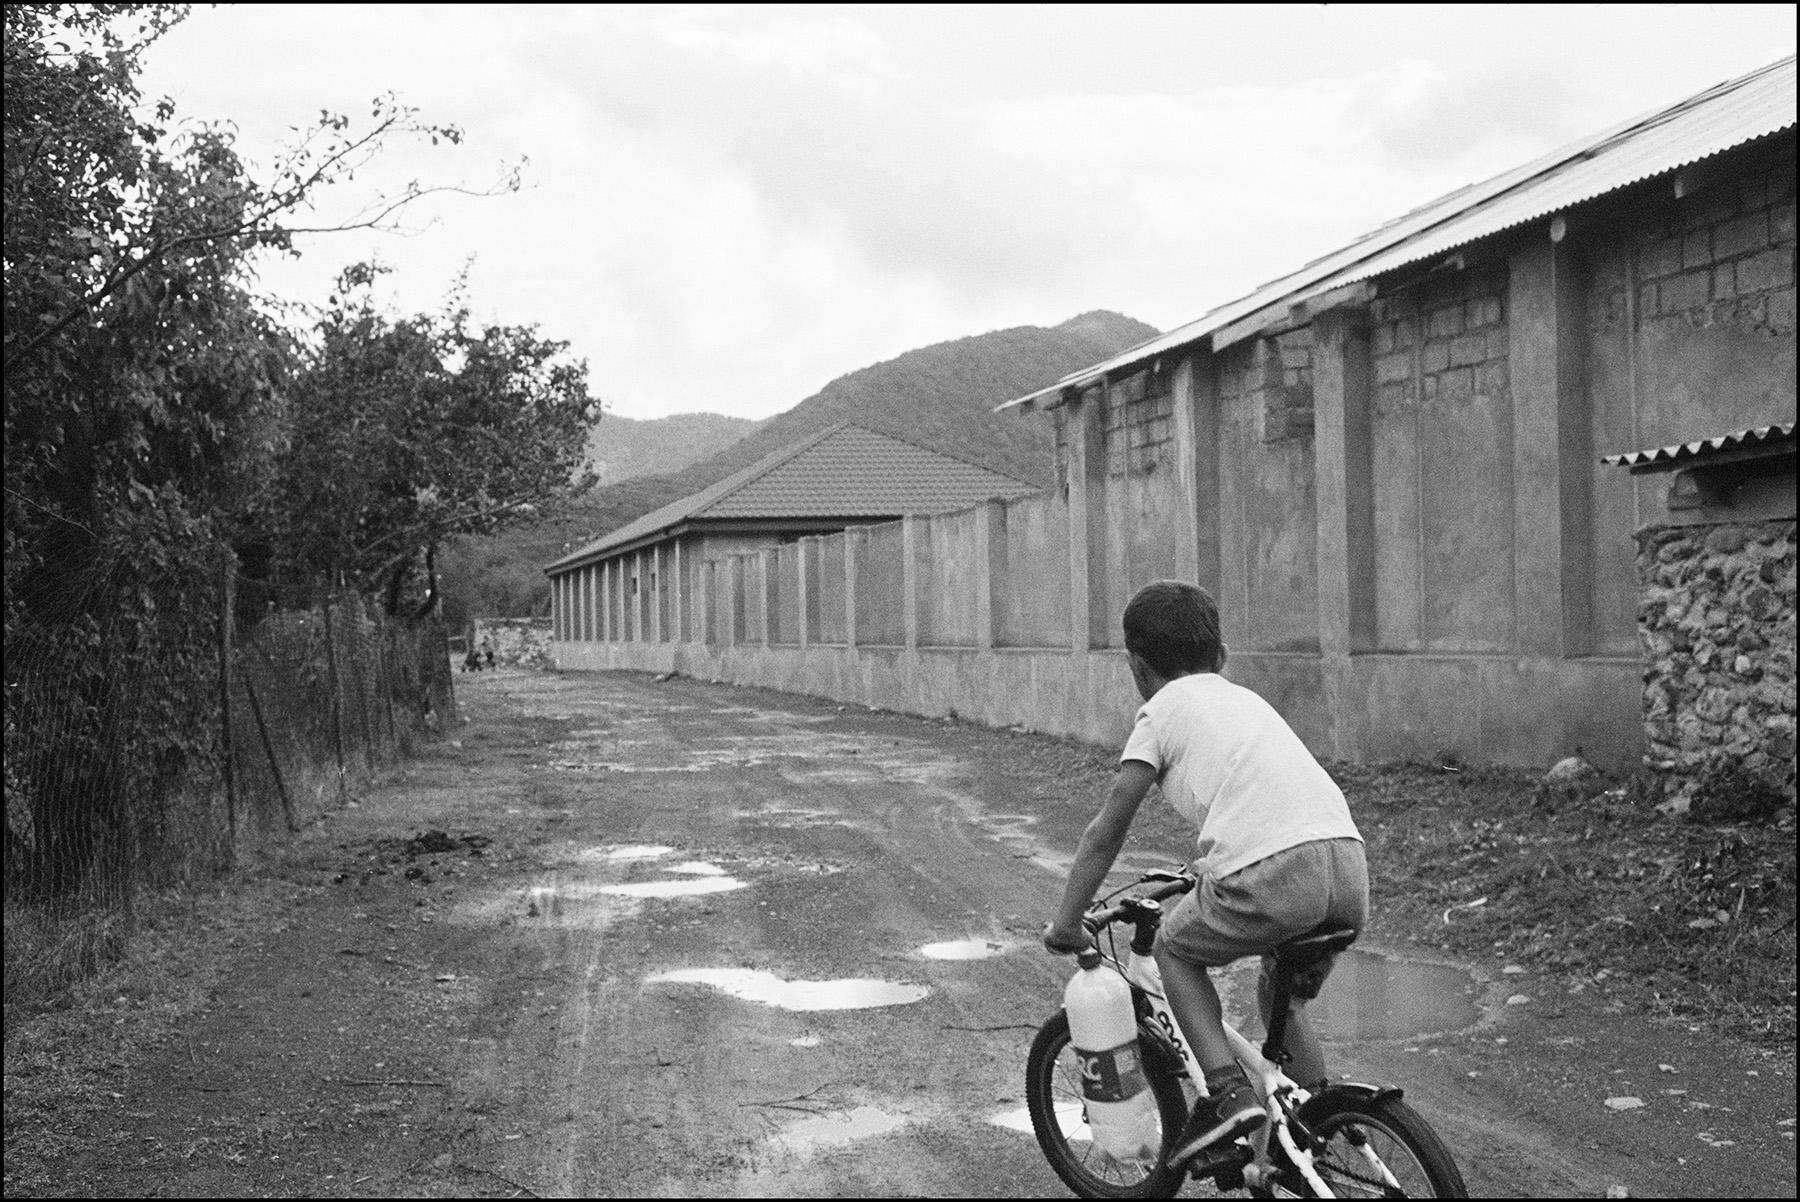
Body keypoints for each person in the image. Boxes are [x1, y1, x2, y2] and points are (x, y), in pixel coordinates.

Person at [1042, 580, 1366, 1169]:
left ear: (1137, 667)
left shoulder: (1159, 711)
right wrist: (1206, 870)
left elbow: (1106, 830)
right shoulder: (1245, 701)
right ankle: (1314, 1127)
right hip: (1346, 865)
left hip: (1272, 874)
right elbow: (1268, 800)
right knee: (1281, 997)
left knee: (1174, 950)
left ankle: (1224, 1094)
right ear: (1221, 657)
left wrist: (1067, 922)